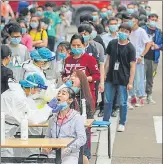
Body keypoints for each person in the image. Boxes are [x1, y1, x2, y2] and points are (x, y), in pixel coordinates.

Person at [1, 73, 54, 158]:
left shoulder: (19, 92)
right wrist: (48, 108)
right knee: (6, 156)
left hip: (7, 131)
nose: (37, 92)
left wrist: (48, 109)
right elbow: (33, 118)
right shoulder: (18, 97)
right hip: (4, 132)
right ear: (32, 87)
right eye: (37, 90)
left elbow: (31, 111)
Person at [103, 23, 136, 132]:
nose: (123, 33)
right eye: (122, 30)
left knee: (122, 102)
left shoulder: (131, 48)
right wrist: (104, 75)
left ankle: (122, 122)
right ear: (118, 31)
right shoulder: (112, 43)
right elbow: (107, 61)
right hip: (110, 77)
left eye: (126, 31)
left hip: (123, 78)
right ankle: (105, 121)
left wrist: (130, 82)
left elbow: (132, 66)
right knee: (107, 100)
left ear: (129, 34)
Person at [43, 87, 86, 164]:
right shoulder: (52, 119)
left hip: (70, 154)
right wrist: (46, 146)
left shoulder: (77, 118)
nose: (59, 95)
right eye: (58, 93)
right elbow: (47, 136)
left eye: (63, 93)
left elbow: (82, 138)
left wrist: (68, 148)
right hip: (53, 154)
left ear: (70, 100)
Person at [63, 34, 100, 109]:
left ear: (83, 45)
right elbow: (64, 74)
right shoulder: (67, 60)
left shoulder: (90, 59)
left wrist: (84, 79)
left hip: (86, 94)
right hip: (71, 95)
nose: (76, 47)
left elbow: (97, 75)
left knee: (87, 118)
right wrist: (64, 78)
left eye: (78, 45)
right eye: (74, 45)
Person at [123, 12, 152, 107]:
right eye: (129, 19)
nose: (130, 21)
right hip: (128, 59)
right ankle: (132, 97)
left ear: (137, 20)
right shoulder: (127, 31)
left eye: (132, 19)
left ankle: (140, 98)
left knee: (139, 79)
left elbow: (148, 43)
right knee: (129, 78)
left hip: (138, 59)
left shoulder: (141, 31)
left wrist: (142, 55)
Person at [99, 17, 119, 117]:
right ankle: (103, 108)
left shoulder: (121, 37)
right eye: (112, 24)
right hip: (105, 65)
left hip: (117, 66)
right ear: (108, 26)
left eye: (115, 23)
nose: (113, 25)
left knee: (116, 87)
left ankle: (115, 108)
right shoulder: (104, 38)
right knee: (104, 87)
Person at [143, 13, 162, 104]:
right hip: (143, 57)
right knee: (141, 77)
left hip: (154, 58)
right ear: (148, 20)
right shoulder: (143, 29)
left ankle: (149, 95)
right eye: (152, 19)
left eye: (155, 20)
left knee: (150, 78)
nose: (153, 21)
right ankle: (139, 95)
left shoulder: (159, 32)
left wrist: (158, 46)